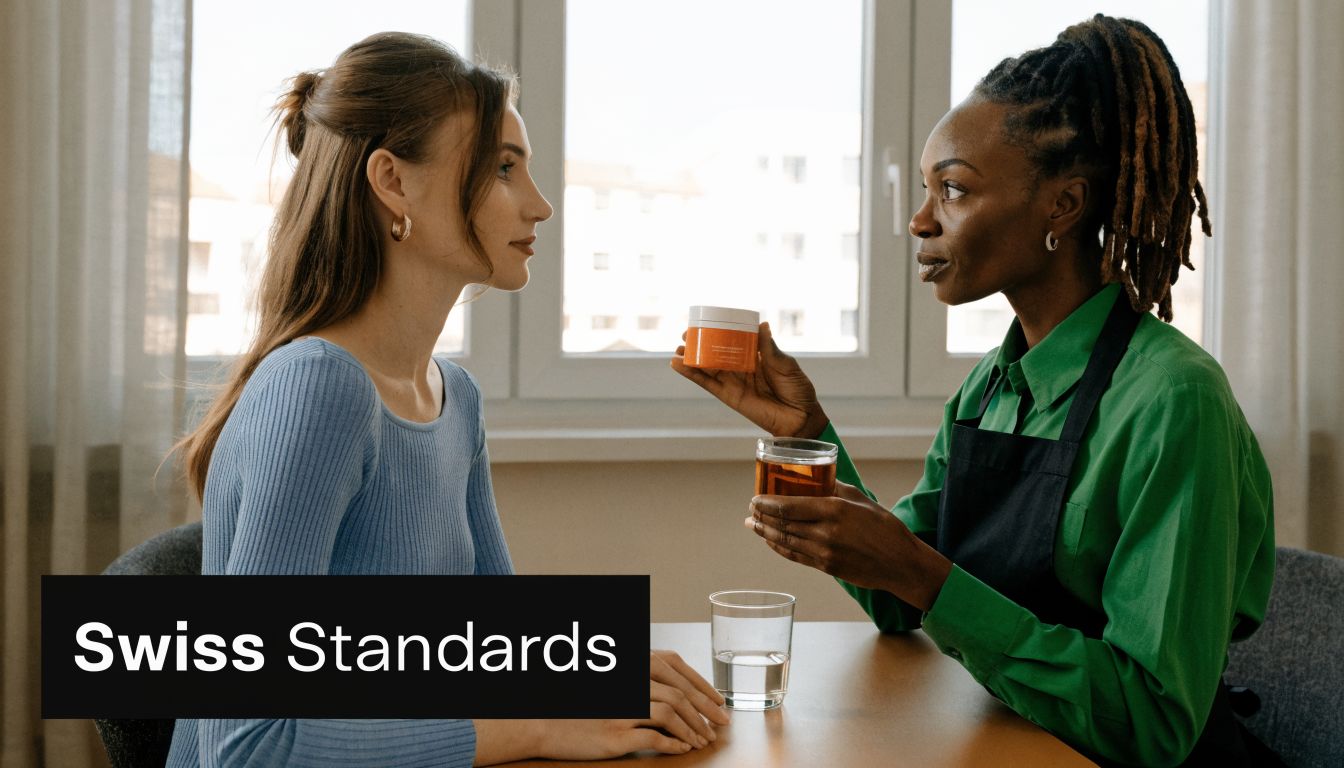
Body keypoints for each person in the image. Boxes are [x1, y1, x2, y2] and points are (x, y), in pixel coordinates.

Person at [672, 15, 1278, 767]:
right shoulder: (992, 388)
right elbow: (902, 599)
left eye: (952, 190)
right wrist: (812, 431)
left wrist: (921, 574)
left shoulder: (1173, 402)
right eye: (926, 190)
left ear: (1063, 206)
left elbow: (1149, 725)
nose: (919, 219)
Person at [169, 32, 728, 767]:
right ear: (393, 182)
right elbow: (245, 747)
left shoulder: (451, 396)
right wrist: (539, 727)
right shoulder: (319, 388)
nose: (540, 205)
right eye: (502, 169)